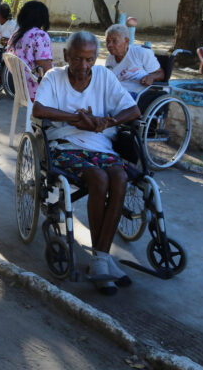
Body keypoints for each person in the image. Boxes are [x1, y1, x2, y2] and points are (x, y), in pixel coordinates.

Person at [33, 31, 141, 296]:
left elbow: (133, 110)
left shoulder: (104, 76)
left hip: (101, 146)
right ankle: (101, 261)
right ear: (66, 56)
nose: (84, 66)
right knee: (99, 179)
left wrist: (107, 121)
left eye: (90, 59)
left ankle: (100, 260)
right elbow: (39, 110)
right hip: (65, 146)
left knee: (120, 178)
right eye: (78, 59)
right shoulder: (54, 78)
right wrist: (75, 119)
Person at [6, 0, 53, 101]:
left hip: (20, 88)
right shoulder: (40, 35)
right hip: (36, 91)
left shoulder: (15, 35)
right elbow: (46, 68)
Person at [104, 23, 164, 98]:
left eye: (114, 41)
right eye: (107, 41)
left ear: (126, 41)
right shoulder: (110, 59)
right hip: (118, 93)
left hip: (138, 94)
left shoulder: (140, 53)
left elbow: (160, 74)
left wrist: (151, 77)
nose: (109, 45)